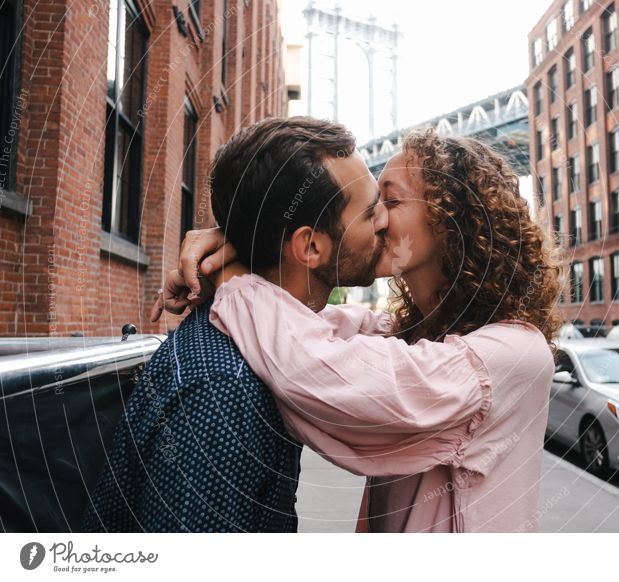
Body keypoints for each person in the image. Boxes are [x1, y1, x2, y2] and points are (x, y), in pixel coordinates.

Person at [156, 127, 564, 532]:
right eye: (373, 204)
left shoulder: (515, 355)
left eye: (391, 199)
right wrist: (256, 239)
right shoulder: (414, 335)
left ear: (452, 221)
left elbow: (316, 365)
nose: (378, 218)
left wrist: (231, 272)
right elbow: (306, 325)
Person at [81, 116, 389, 532]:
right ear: (311, 246)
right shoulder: (224, 388)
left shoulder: (262, 345)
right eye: (371, 212)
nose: (386, 220)